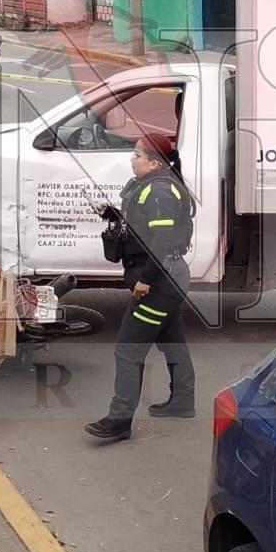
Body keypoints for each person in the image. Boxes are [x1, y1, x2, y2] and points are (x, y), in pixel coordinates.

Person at [86, 133, 196, 441]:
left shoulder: (159, 192)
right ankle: (182, 402)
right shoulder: (151, 186)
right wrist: (113, 214)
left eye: (137, 155)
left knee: (127, 350)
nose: (132, 160)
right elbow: (143, 227)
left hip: (160, 282)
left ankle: (119, 420)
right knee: (172, 341)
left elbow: (162, 241)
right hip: (169, 278)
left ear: (154, 163)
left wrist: (146, 279)